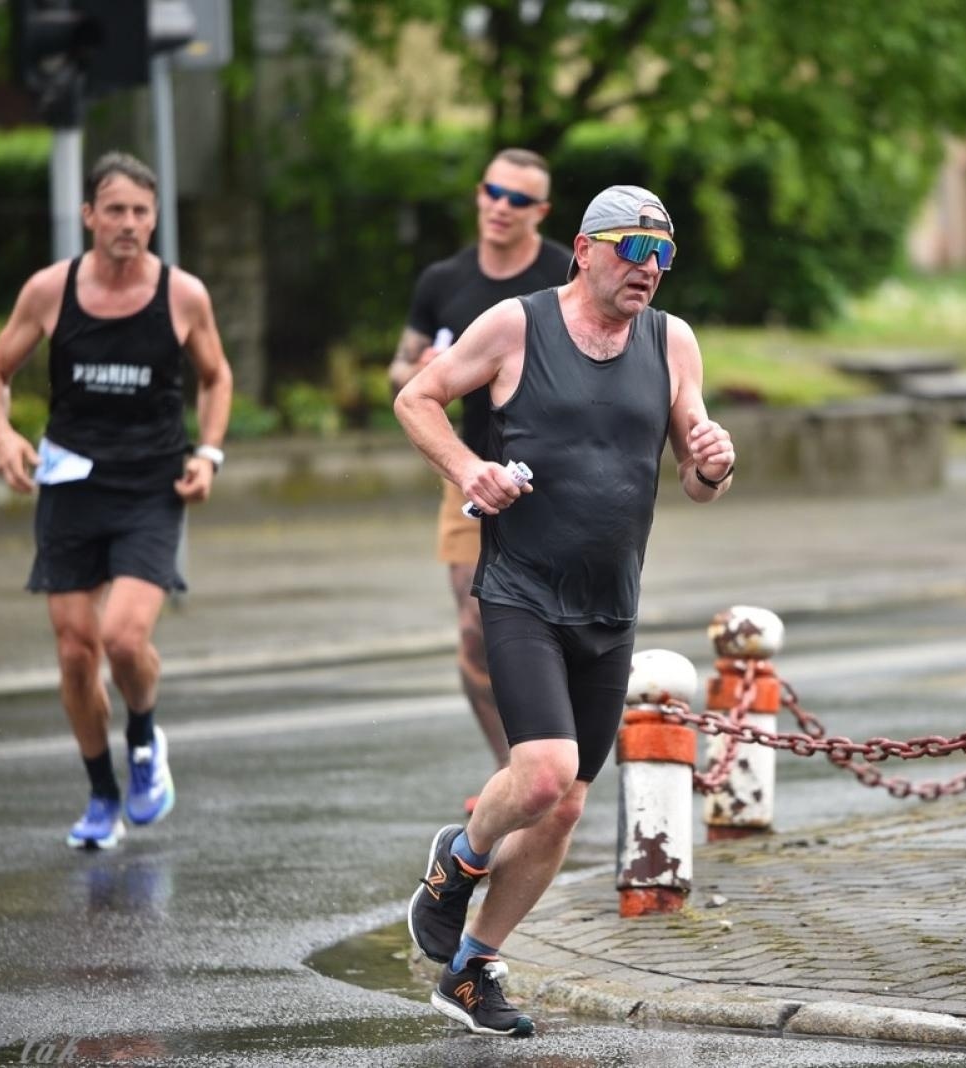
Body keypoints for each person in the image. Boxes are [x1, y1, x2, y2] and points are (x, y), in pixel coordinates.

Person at [396, 185, 735, 1036]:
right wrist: (469, 469)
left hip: (609, 605)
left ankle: (471, 971)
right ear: (583, 249)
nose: (648, 269)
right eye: (632, 248)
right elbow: (416, 398)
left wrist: (714, 460)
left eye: (663, 254)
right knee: (543, 772)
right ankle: (458, 860)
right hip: (522, 591)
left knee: (568, 804)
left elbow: (696, 477)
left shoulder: (672, 341)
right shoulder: (517, 326)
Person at [0, 151, 233, 851]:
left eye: (141, 212)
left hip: (151, 486)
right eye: (114, 210)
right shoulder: (49, 291)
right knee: (73, 652)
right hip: (68, 485)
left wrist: (208, 454)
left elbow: (216, 377)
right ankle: (100, 795)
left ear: (155, 219)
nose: (129, 224)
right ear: (89, 215)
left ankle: (144, 738)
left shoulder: (182, 295)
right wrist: (3, 436)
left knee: (123, 637)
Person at [388, 149, 573, 799]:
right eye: (494, 192)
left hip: (557, 476)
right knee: (475, 630)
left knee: (563, 625)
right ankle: (511, 771)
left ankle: (557, 755)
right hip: (469, 475)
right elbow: (399, 373)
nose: (501, 206)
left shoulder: (564, 274)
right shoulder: (444, 280)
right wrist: (427, 367)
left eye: (519, 199)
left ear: (541, 213)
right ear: (479, 195)